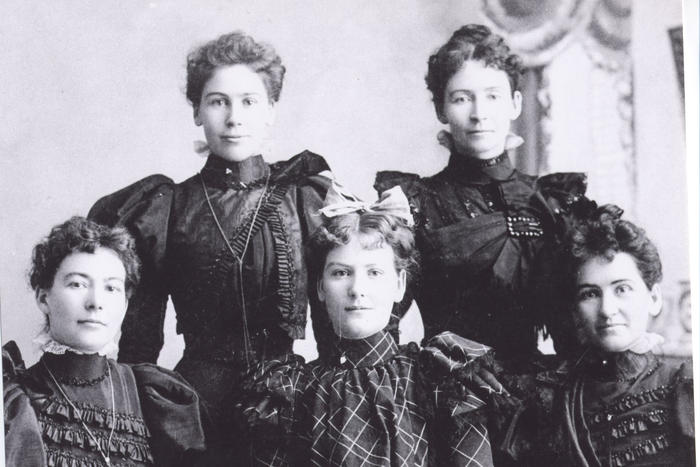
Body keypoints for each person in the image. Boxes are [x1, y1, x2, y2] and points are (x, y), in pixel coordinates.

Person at [87, 31, 336, 432]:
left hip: (289, 400)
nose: (234, 118)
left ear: (271, 109)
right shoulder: (167, 208)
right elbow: (140, 341)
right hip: (196, 405)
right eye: (218, 101)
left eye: (249, 102)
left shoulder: (304, 201)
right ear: (197, 111)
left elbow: (332, 331)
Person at [234, 187, 500, 467]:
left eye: (374, 272)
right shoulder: (290, 390)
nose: (357, 289)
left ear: (399, 285)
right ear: (321, 288)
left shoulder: (438, 379)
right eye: (340, 273)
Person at [374, 24, 595, 358]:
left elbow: (578, 323)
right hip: (448, 392)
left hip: (541, 393)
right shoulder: (415, 204)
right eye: (462, 98)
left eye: (492, 96)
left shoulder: (551, 201)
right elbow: (383, 319)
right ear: (441, 109)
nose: (479, 114)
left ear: (515, 104)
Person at [478, 205, 695, 466]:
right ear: (573, 310)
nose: (607, 310)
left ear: (654, 298)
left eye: (622, 289)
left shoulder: (684, 388)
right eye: (590, 294)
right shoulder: (549, 398)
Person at [3, 217, 209, 467]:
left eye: (111, 288)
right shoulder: (12, 404)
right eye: (77, 284)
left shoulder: (154, 397)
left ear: (124, 305)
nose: (95, 302)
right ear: (43, 298)